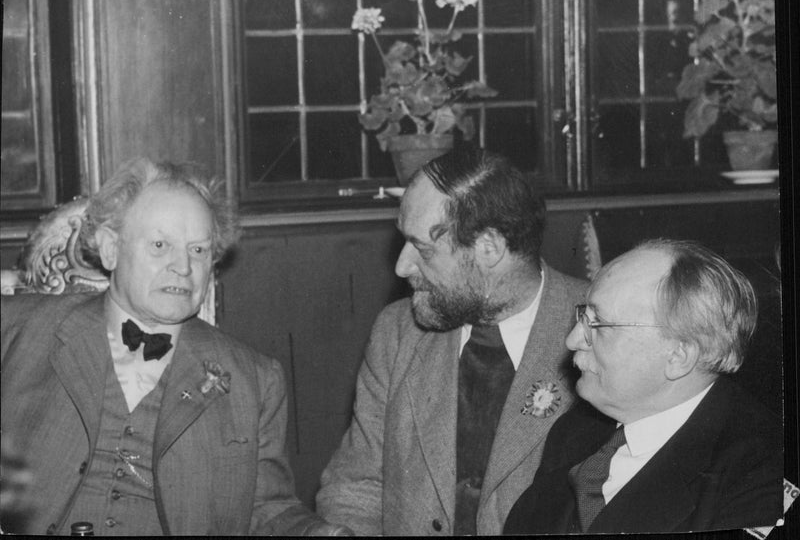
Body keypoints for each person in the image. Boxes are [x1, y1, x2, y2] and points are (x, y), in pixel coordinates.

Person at [0, 158, 348, 536]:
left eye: (198, 250)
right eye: (160, 245)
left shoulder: (255, 380)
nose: (182, 266)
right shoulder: (15, 330)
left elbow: (267, 510)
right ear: (111, 249)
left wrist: (317, 534)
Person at [316, 149, 589, 535]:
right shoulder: (397, 332)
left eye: (423, 249)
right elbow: (356, 488)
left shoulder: (598, 332)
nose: (402, 267)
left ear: (489, 248)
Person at [503, 238, 783, 534]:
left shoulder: (760, 478)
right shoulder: (574, 432)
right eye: (583, 315)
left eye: (598, 324)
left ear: (678, 356)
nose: (572, 340)